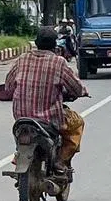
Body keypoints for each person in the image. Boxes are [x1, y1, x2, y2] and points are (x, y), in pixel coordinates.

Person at [5, 26, 88, 171]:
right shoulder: (58, 62)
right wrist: (82, 92)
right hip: (48, 120)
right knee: (77, 124)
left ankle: (19, 154)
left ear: (36, 42)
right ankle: (61, 160)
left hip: (21, 118)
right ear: (55, 45)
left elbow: (8, 86)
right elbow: (76, 87)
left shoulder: (21, 59)